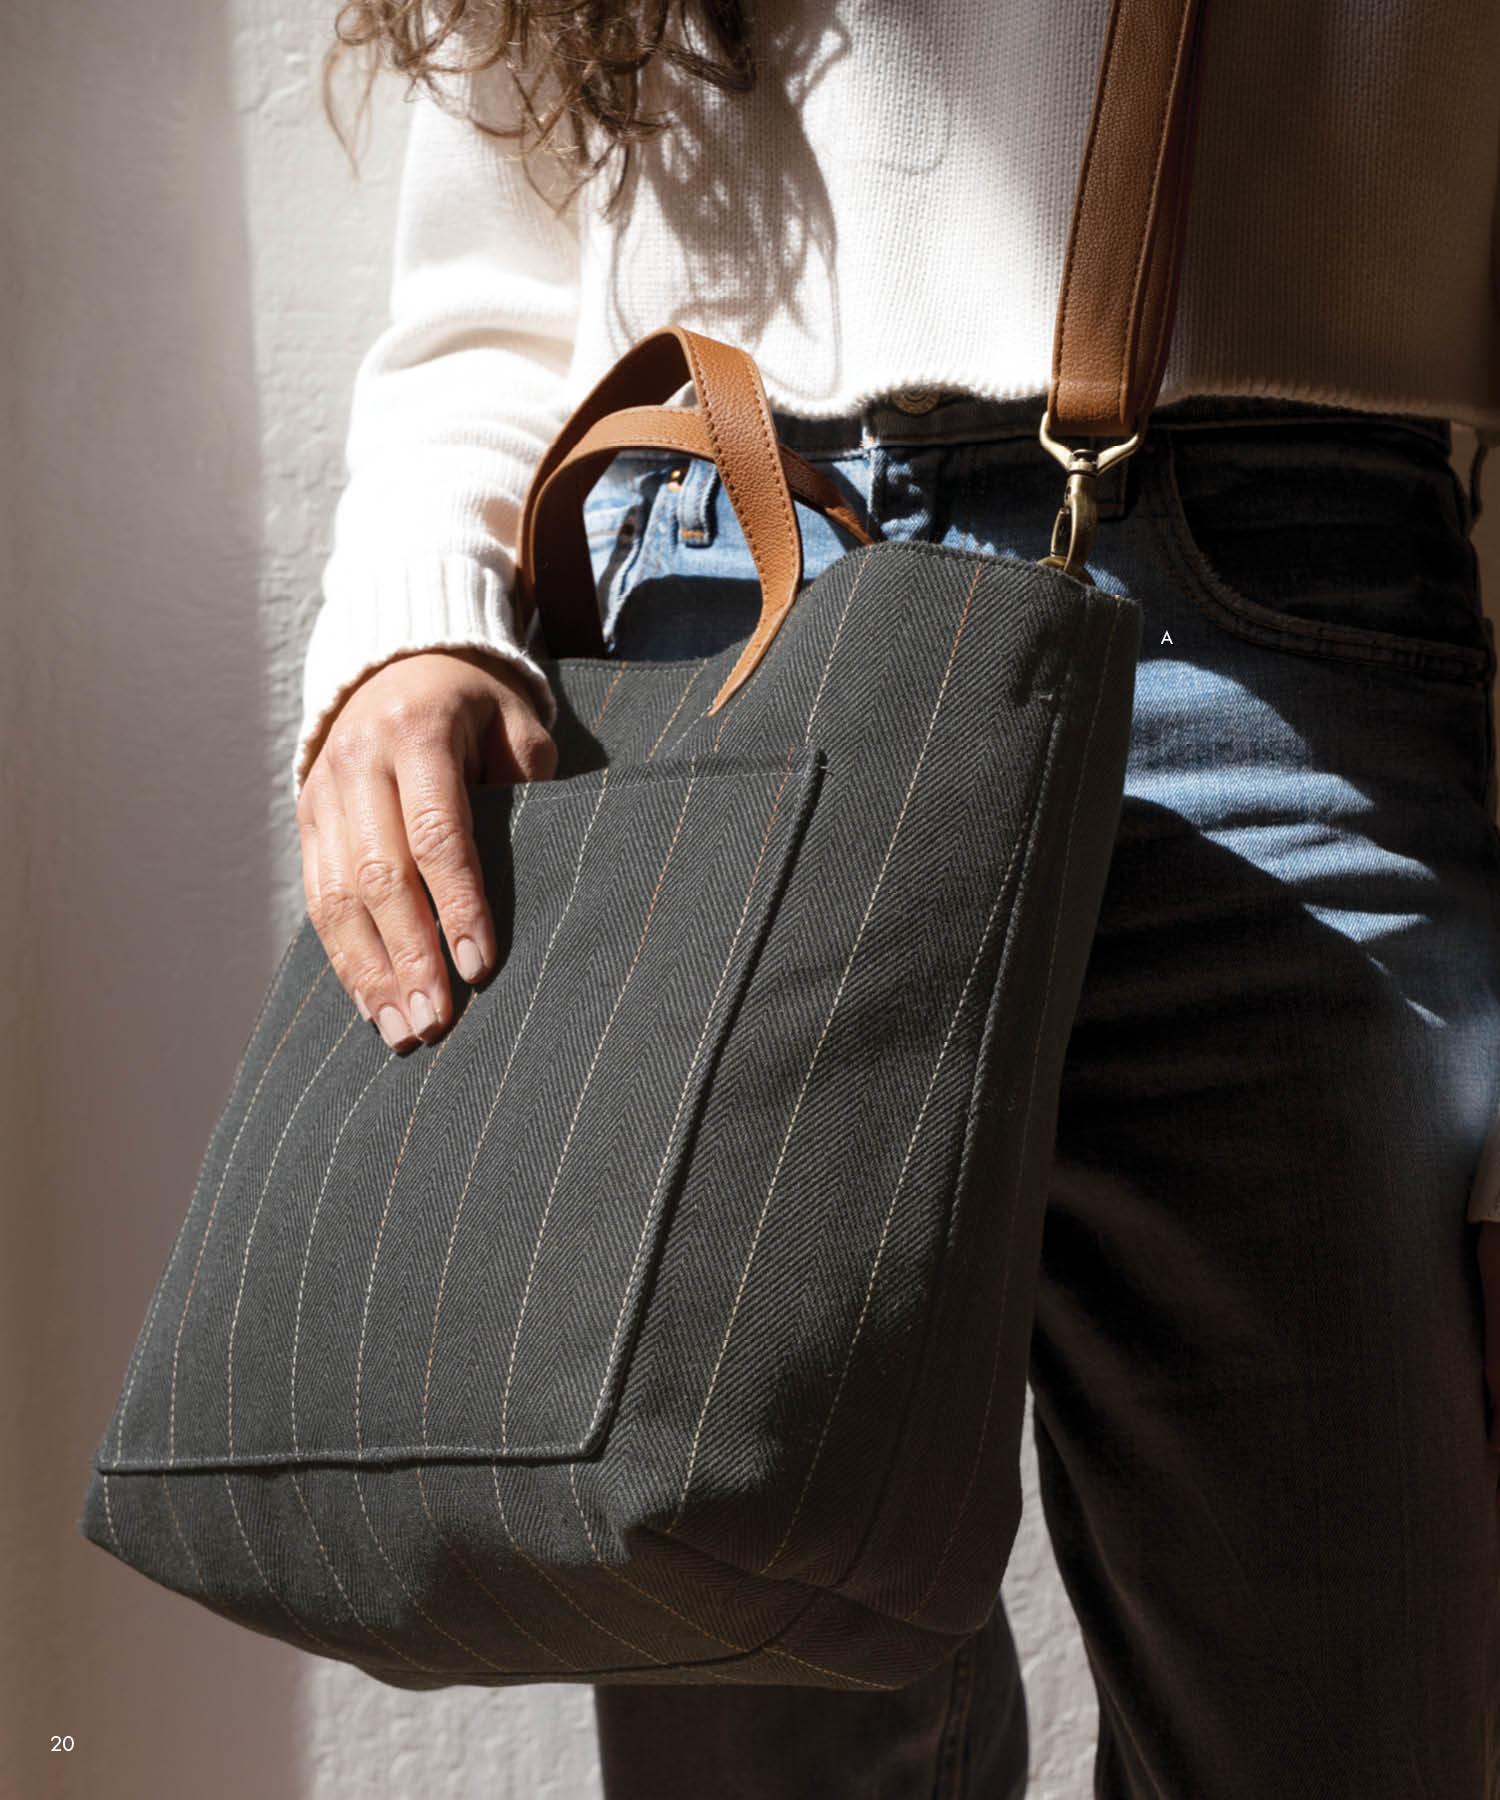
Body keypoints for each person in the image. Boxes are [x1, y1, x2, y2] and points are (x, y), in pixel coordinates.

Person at [295, 3, 1500, 1793]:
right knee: (748, 1730)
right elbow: (494, 271)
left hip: (1270, 602)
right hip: (707, 589)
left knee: (1337, 1730)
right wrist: (413, 621)